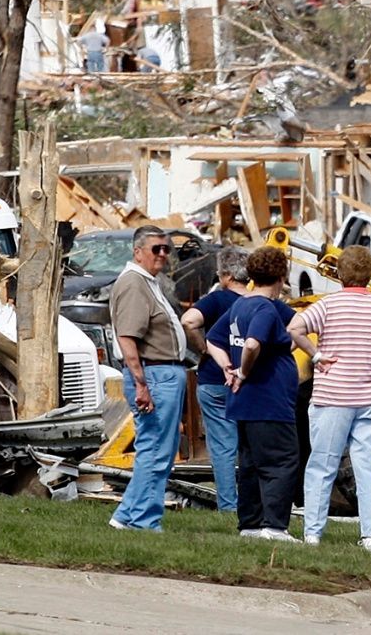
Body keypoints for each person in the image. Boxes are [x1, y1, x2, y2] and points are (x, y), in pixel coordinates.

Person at [287, 245, 371, 551]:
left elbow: (295, 328)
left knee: (322, 464)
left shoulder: (328, 305)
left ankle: (313, 533)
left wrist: (317, 355)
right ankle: (370, 536)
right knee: (367, 467)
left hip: (333, 394)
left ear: (340, 273)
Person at [206, 245, 300, 542]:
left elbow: (212, 339)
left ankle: (249, 524)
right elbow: (251, 344)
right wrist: (243, 371)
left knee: (250, 463)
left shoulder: (240, 304)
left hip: (244, 402)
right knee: (281, 461)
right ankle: (274, 526)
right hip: (268, 399)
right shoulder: (264, 308)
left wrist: (227, 368)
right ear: (282, 275)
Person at [108, 225, 187, 532]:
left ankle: (127, 515)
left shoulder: (147, 282)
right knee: (154, 451)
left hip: (160, 373)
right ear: (137, 251)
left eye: (167, 249)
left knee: (159, 451)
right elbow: (127, 338)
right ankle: (143, 521)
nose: (163, 254)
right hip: (153, 374)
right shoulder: (133, 284)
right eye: (157, 249)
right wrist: (141, 384)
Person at [181, 246, 250, 512]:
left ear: (225, 275)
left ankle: (229, 507)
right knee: (249, 446)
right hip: (250, 381)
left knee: (222, 448)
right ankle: (252, 503)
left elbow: (189, 321)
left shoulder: (217, 300)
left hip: (215, 380)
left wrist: (204, 348)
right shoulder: (257, 301)